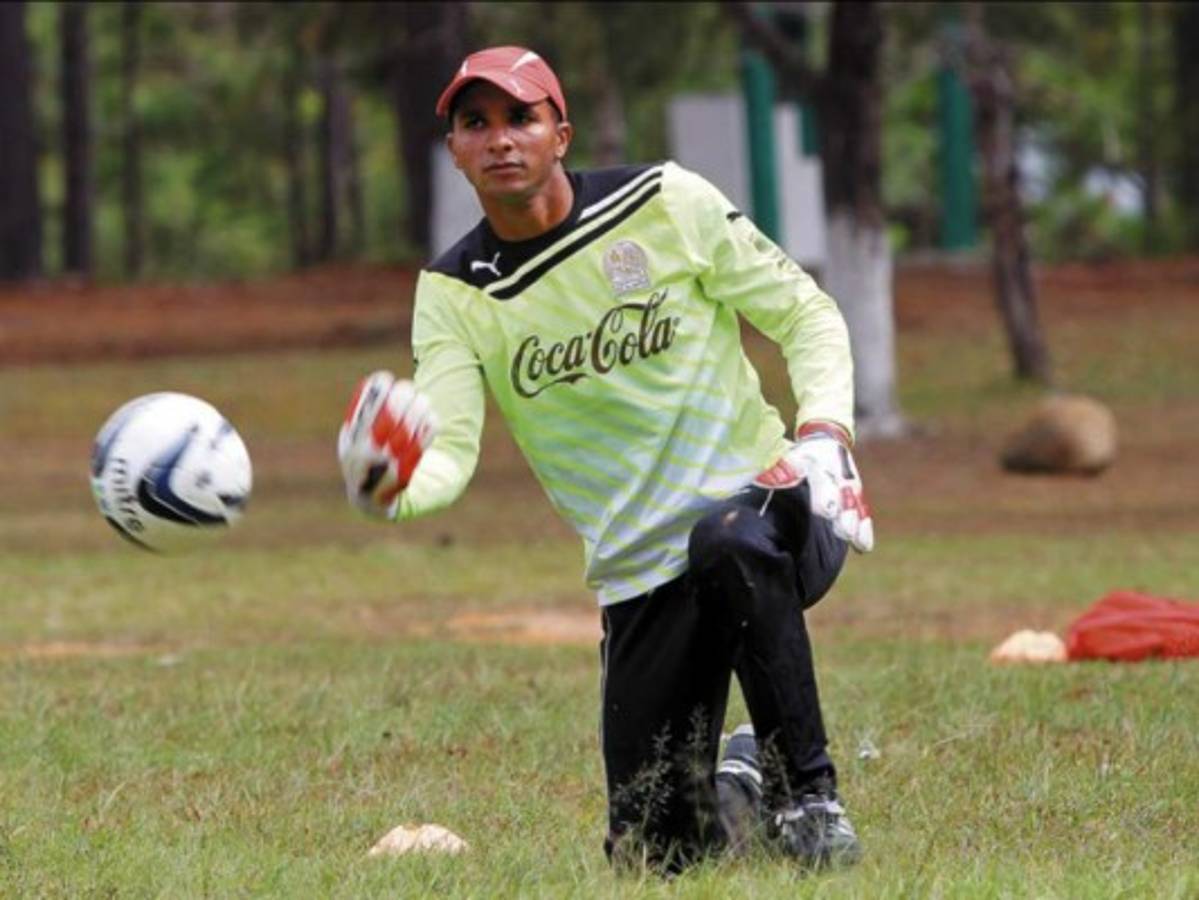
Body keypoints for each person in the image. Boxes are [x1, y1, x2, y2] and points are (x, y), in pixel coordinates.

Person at [337, 45, 874, 875]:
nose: (499, 139)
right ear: (453, 151)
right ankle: (739, 782)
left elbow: (807, 315)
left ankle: (809, 797)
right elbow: (448, 453)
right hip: (638, 576)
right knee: (656, 856)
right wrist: (392, 491)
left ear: (561, 133)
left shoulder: (663, 200)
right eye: (474, 124)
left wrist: (825, 435)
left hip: (766, 511)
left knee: (726, 541)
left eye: (521, 117)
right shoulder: (453, 294)